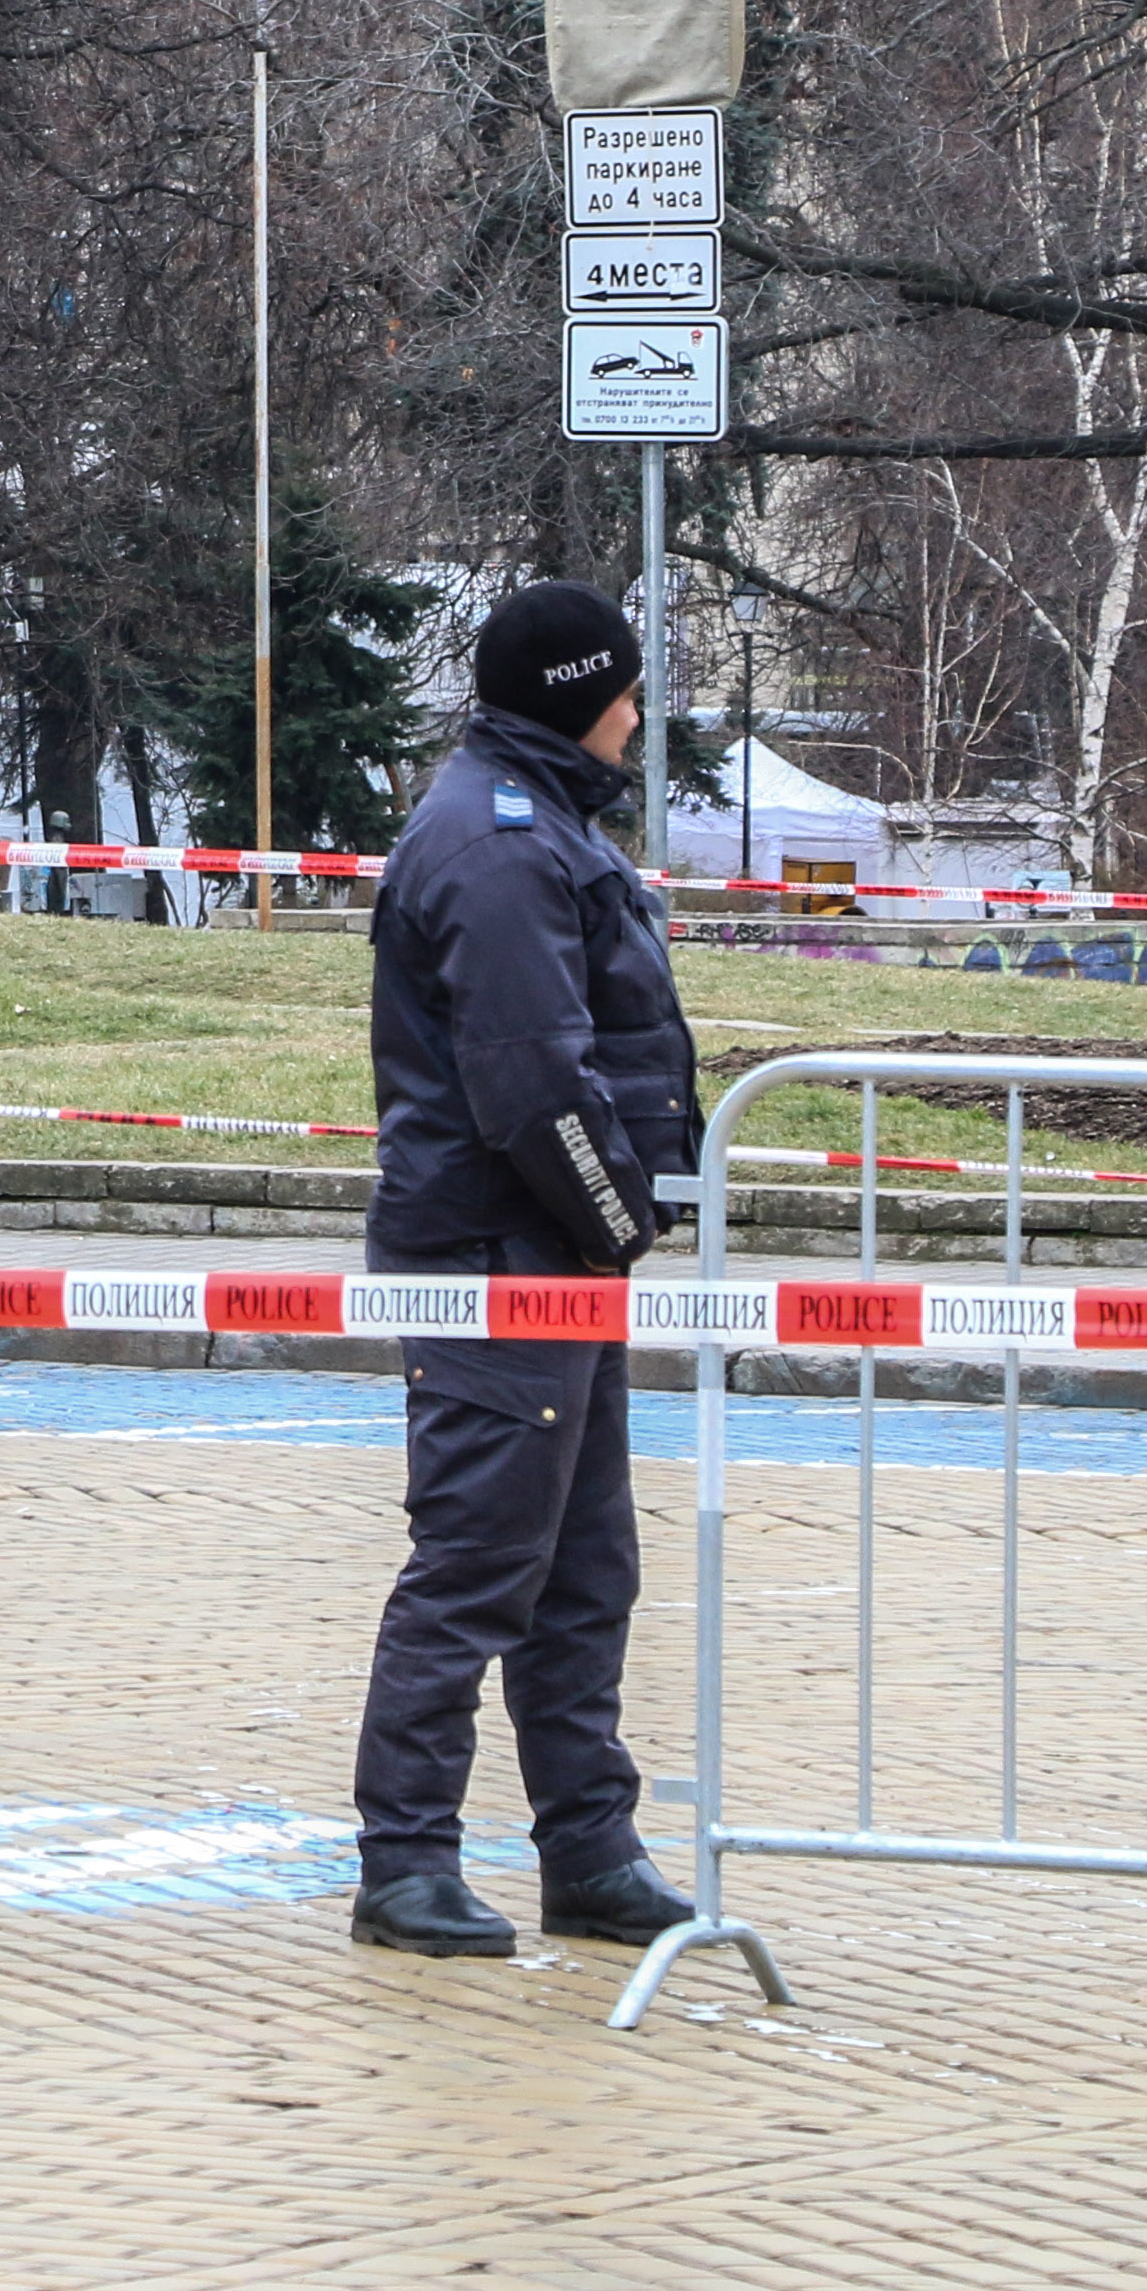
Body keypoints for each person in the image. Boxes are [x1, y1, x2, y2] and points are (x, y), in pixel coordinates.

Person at [346, 579, 707, 1960]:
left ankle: (589, 1849)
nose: (636, 714)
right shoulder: (499, 843)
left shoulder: (538, 816)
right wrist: (617, 1220)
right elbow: (530, 1078)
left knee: (582, 1571)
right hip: (506, 1254)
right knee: (478, 1569)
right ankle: (406, 1862)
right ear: (578, 694)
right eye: (623, 689)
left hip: (551, 1251)